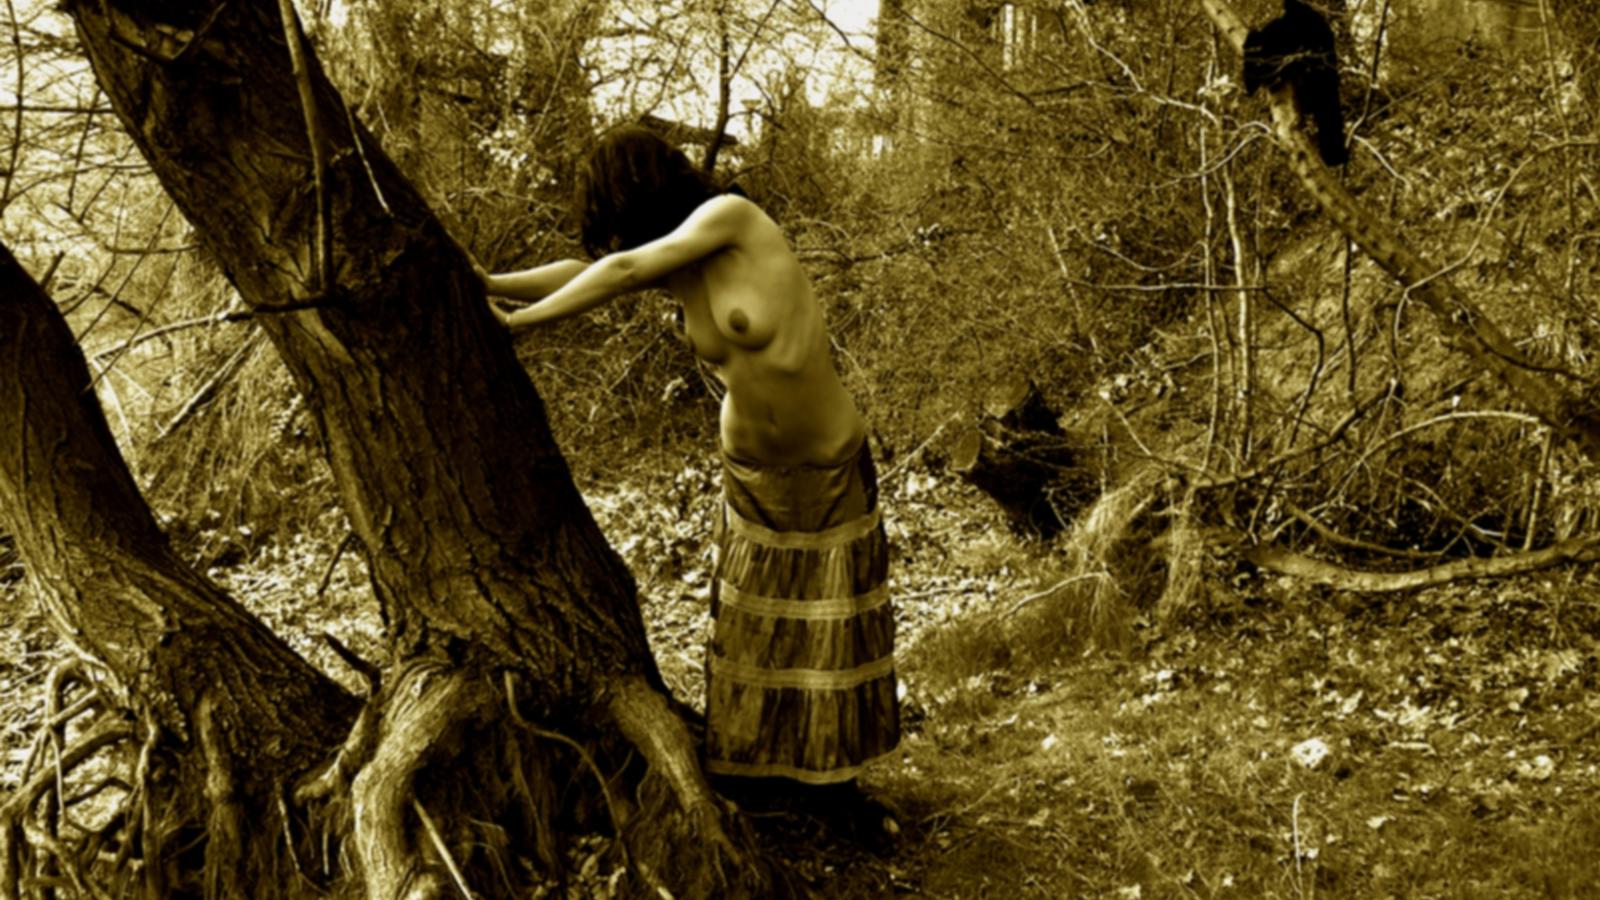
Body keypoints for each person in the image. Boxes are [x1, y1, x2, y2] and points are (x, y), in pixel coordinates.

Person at [480, 125, 900, 825]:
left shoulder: (732, 219)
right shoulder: (678, 261)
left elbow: (618, 271)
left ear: (641, 190)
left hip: (826, 463)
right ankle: (760, 776)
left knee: (830, 632)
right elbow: (590, 271)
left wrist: (520, 327)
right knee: (756, 631)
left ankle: (838, 791)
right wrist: (493, 286)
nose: (617, 234)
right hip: (752, 476)